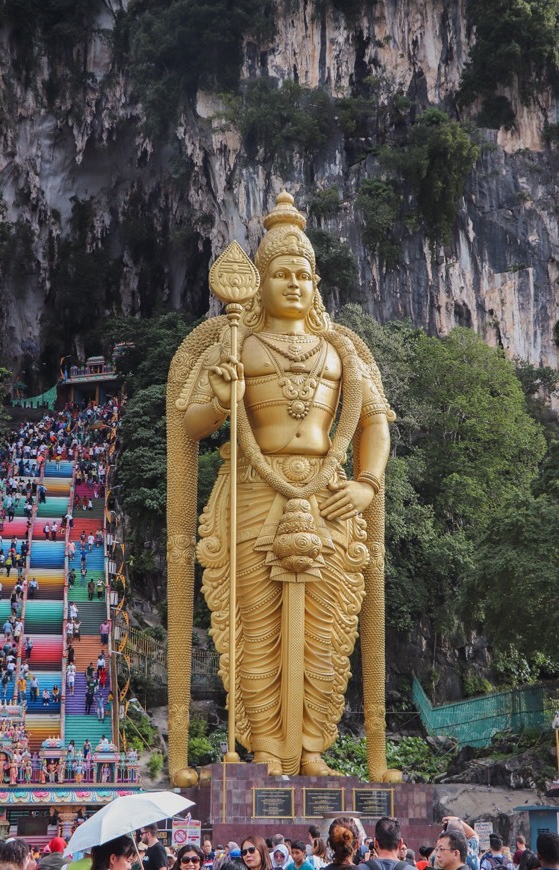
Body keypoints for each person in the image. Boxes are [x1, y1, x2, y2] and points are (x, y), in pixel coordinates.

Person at [169, 191, 394, 780]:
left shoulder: (342, 349)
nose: (293, 283)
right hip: (251, 487)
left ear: (316, 282)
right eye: (280, 273)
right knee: (254, 626)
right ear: (259, 281)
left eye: (302, 273)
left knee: (331, 623)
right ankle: (267, 747)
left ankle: (315, 746)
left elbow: (373, 422)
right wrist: (221, 399)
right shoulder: (235, 344)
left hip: (329, 492)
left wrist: (367, 484)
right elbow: (189, 423)